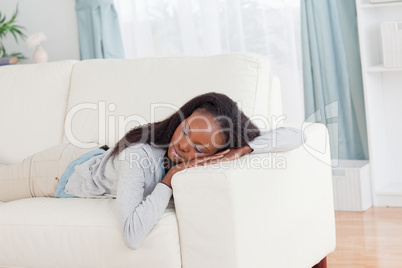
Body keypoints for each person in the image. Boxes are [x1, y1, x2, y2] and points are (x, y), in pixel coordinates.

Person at [5, 92, 304, 249]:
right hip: (54, 171)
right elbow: (132, 236)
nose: (185, 147)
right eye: (186, 131)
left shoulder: (222, 149)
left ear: (216, 154)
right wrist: (169, 181)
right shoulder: (141, 157)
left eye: (200, 149)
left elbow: (297, 134)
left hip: (85, 161)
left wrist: (244, 149)